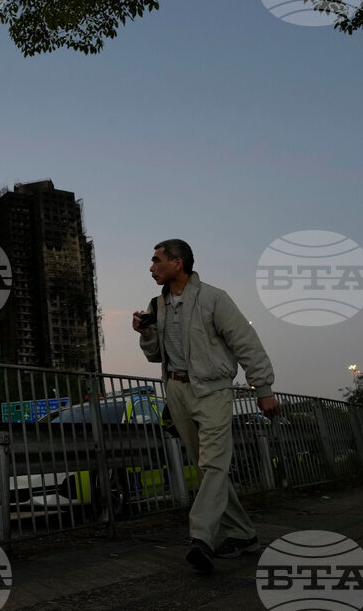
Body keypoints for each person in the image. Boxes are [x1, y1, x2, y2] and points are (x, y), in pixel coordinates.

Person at [133, 239, 279, 573]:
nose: (151, 267)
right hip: (178, 390)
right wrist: (145, 334)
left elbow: (246, 342)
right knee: (206, 467)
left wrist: (264, 388)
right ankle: (243, 533)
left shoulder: (214, 298)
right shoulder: (158, 305)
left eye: (157, 260)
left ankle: (201, 537)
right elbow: (157, 354)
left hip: (212, 390)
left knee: (213, 464)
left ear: (177, 263)